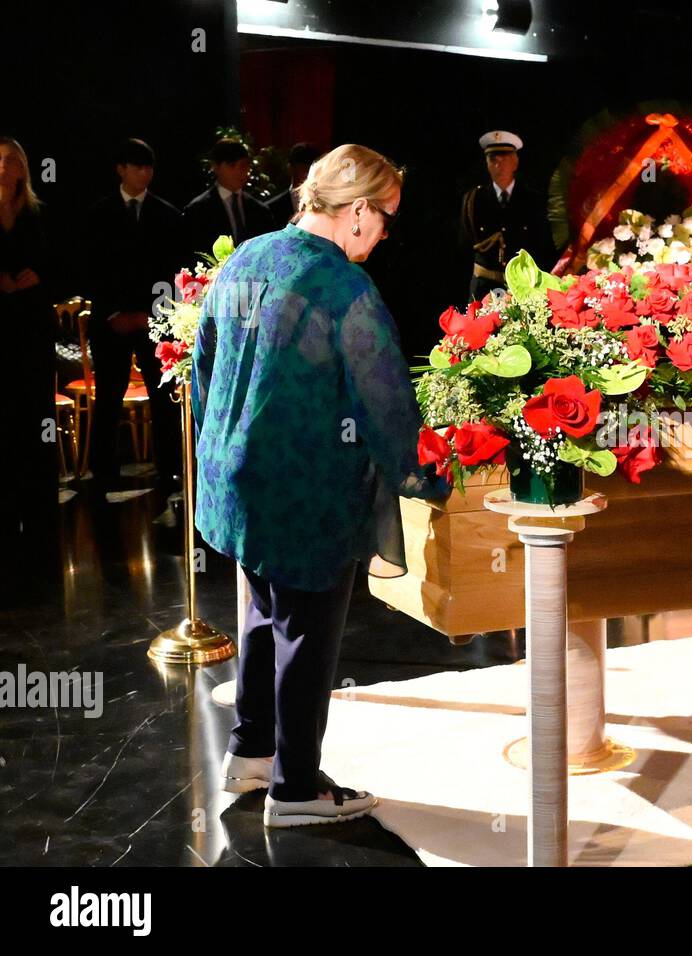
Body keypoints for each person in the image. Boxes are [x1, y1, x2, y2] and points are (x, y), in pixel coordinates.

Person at [194, 144, 446, 827]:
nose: (388, 232)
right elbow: (384, 402)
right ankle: (297, 789)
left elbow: (205, 368)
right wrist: (427, 476)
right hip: (304, 488)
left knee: (262, 615)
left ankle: (250, 754)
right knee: (307, 630)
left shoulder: (247, 257)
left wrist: (222, 448)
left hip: (236, 478)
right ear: (358, 210)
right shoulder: (343, 287)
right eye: (387, 217)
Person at [83, 138, 183, 498]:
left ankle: (170, 469)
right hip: (110, 321)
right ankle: (103, 471)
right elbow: (91, 270)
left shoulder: (168, 215)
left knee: (163, 396)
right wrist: (113, 312)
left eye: (149, 166)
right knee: (109, 395)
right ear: (120, 169)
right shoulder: (99, 213)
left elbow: (175, 273)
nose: (144, 173)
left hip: (154, 320)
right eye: (137, 166)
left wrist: (149, 315)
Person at [0, 136, 57, 575]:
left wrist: (40, 274)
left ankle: (39, 511)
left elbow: (63, 263)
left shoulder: (39, 214)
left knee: (36, 418)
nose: (4, 168)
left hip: (33, 329)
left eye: (12, 161)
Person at [459, 130, 554, 302]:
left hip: (523, 289)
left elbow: (544, 247)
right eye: (493, 159)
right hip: (483, 288)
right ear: (487, 163)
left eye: (505, 158)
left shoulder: (533, 200)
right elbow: (464, 246)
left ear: (515, 161)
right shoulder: (473, 199)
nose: (499, 165)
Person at [182, 138, 276, 258]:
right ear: (215, 167)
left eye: (243, 165)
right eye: (232, 165)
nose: (239, 171)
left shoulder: (260, 210)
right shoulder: (197, 210)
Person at [269, 142, 324, 224]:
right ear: (290, 169)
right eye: (303, 170)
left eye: (311, 171)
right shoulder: (273, 207)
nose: (308, 176)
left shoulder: (326, 204)